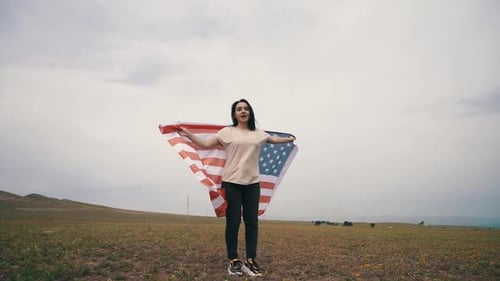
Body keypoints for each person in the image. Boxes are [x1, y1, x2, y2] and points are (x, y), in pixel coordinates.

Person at [178, 98, 296, 277]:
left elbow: (273, 139)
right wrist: (187, 133)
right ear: (234, 114)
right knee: (233, 221)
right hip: (232, 182)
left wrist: (288, 139)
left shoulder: (259, 134)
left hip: (252, 184)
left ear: (250, 112)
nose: (243, 111)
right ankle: (233, 260)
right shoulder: (226, 132)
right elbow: (204, 144)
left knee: (252, 222)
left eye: (246, 109)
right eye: (239, 109)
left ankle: (251, 259)